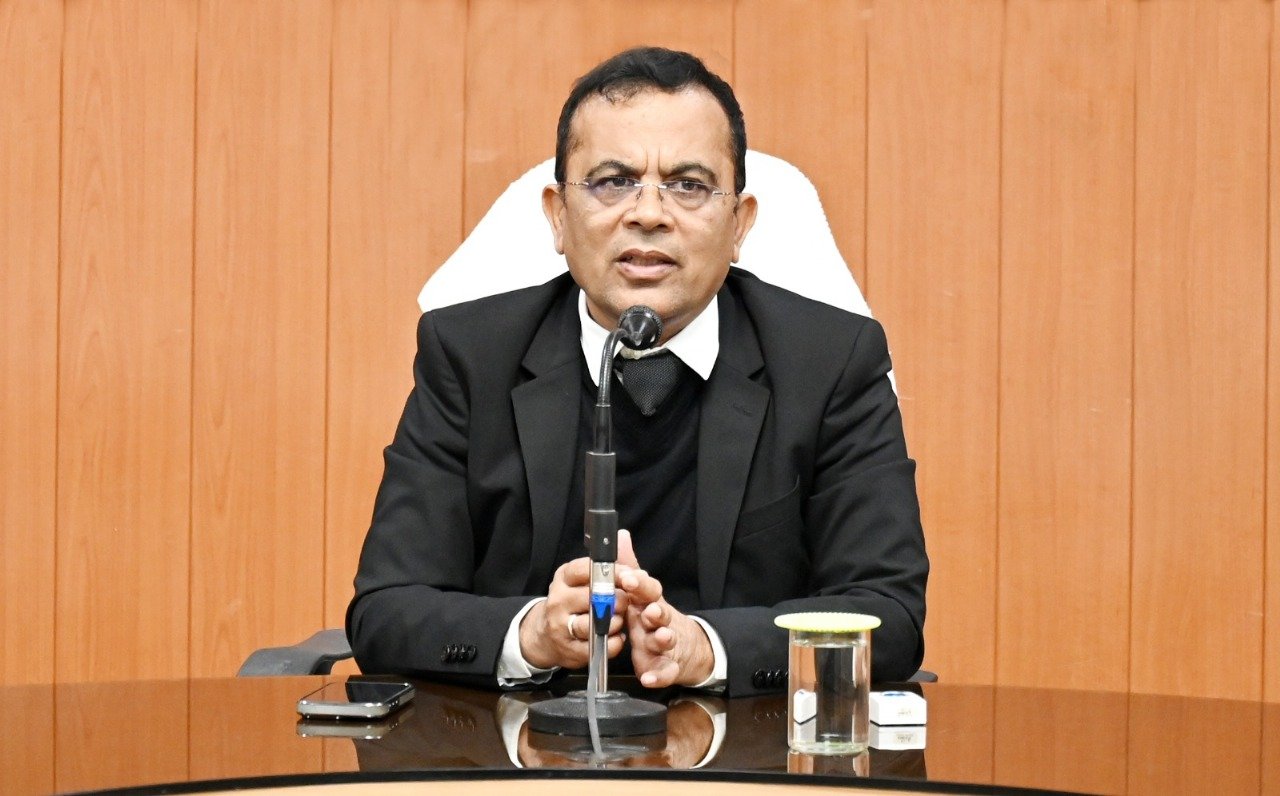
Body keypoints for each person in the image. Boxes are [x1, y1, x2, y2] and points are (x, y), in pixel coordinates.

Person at [347, 46, 927, 697]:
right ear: (558, 216)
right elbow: (386, 609)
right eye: (613, 181)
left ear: (739, 224)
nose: (649, 213)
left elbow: (888, 614)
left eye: (688, 185)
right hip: (519, 743)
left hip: (750, 747)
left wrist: (708, 648)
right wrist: (531, 634)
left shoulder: (831, 362)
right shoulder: (470, 355)